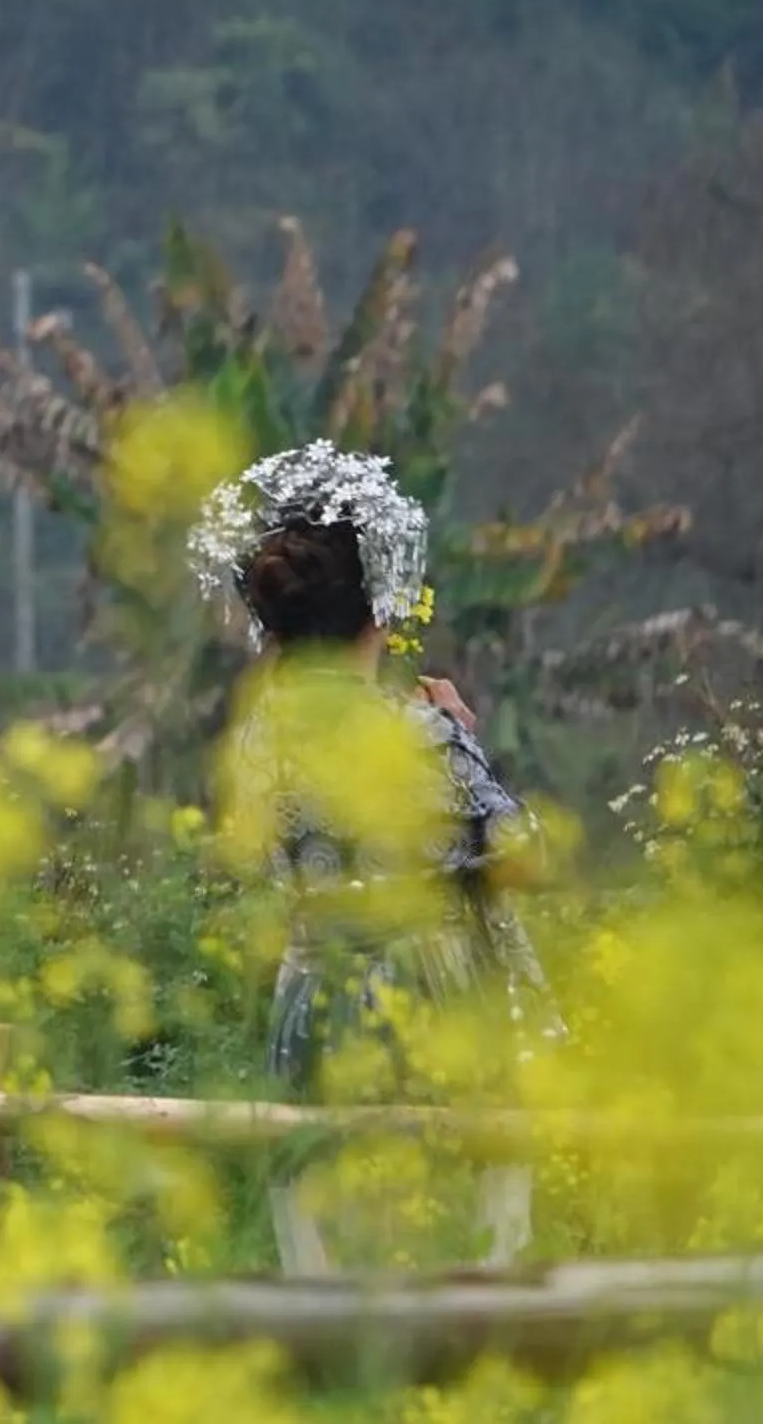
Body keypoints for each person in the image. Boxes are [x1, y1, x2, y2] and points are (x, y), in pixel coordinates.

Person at [188, 440, 559, 1271]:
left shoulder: (253, 742)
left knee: (334, 1285)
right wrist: (463, 737)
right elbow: (524, 855)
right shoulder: (415, 735)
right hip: (431, 1008)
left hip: (310, 1004)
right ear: (378, 614)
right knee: (459, 1276)